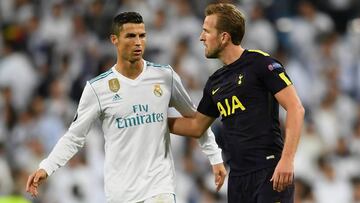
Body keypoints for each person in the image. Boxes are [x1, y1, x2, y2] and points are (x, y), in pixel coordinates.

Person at [26, 12, 227, 203]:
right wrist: (47, 167)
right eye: (131, 36)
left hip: (159, 186)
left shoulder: (165, 76)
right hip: (121, 192)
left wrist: (215, 157)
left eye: (142, 35)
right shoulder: (98, 88)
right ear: (115, 40)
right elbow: (74, 137)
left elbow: (196, 119)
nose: (138, 42)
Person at [168, 3, 305, 203]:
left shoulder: (260, 63)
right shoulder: (215, 81)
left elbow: (296, 108)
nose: (201, 37)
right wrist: (156, 120)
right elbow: (196, 126)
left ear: (224, 37)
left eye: (206, 31)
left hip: (269, 171)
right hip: (238, 180)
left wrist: (287, 160)